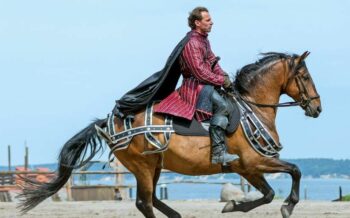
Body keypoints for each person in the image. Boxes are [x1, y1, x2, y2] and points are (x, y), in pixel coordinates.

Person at [154, 7, 236, 164]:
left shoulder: (204, 40)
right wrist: (220, 80)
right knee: (223, 106)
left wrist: (225, 77)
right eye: (208, 20)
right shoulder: (192, 43)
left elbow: (212, 63)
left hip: (206, 85)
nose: (212, 22)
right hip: (195, 88)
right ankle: (218, 152)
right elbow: (199, 72)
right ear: (197, 23)